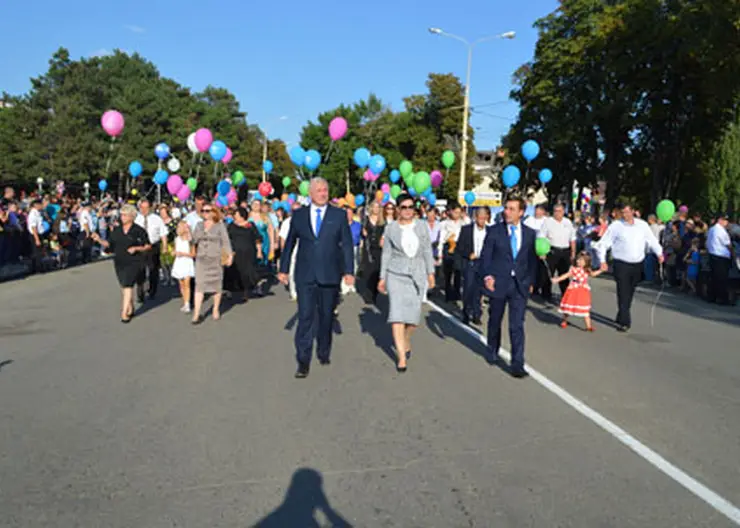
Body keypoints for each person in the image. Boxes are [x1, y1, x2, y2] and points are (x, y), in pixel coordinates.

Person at [278, 177, 354, 379]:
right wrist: (283, 269)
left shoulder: (338, 215)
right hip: (305, 275)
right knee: (305, 317)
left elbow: (346, 245)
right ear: (310, 194)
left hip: (329, 274)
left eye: (325, 190)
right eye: (319, 190)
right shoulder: (299, 215)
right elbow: (290, 244)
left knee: (326, 317)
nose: (323, 193)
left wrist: (349, 271)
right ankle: (303, 361)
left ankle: (323, 350)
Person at [480, 196, 538, 379]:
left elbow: (531, 261)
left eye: (512, 209)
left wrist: (530, 282)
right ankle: (492, 349)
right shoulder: (494, 231)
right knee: (495, 319)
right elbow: (486, 257)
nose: (507, 212)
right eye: (506, 208)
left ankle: (517, 363)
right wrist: (488, 276)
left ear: (521, 212)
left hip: (519, 285)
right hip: (499, 282)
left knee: (517, 325)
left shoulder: (529, 233)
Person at [377, 194, 435, 372]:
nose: (408, 210)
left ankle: (406, 339)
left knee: (413, 319)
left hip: (416, 274)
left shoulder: (422, 226)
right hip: (396, 274)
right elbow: (386, 253)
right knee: (397, 314)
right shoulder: (391, 228)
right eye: (404, 207)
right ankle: (401, 357)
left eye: (411, 207)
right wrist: (382, 277)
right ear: (398, 209)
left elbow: (427, 250)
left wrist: (430, 273)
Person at [596, 203, 663, 332]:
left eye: (627, 212)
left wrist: (659, 253)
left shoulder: (642, 225)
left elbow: (652, 240)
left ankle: (622, 312)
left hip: (637, 264)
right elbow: (604, 243)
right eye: (623, 212)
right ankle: (625, 321)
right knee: (623, 291)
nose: (625, 215)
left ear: (633, 211)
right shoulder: (616, 226)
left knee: (630, 292)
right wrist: (602, 260)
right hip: (621, 263)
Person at [91, 205, 151, 323]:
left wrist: (136, 248)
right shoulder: (117, 231)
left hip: (134, 261)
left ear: (131, 216)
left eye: (125, 215)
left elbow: (147, 246)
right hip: (119, 261)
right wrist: (98, 239)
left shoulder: (138, 230)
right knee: (124, 286)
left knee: (128, 286)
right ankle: (130, 307)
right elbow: (109, 244)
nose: (122, 217)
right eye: (121, 215)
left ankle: (124, 313)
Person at [191, 204, 233, 324]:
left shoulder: (220, 226)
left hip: (215, 258)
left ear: (213, 212)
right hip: (201, 259)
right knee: (199, 286)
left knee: (216, 285)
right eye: (203, 211)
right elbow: (193, 240)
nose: (205, 213)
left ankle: (215, 309)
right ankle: (196, 314)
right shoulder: (199, 225)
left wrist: (229, 255)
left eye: (207, 211)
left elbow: (225, 241)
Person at [551, 251, 604, 331]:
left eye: (582, 260)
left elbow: (593, 274)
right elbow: (566, 275)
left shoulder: (587, 270)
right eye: (578, 260)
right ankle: (564, 320)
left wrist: (601, 270)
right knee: (569, 306)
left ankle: (588, 326)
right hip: (573, 288)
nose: (579, 261)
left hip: (583, 290)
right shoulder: (573, 269)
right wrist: (557, 279)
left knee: (585, 309)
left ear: (586, 262)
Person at [455, 207, 490, 325]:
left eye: (484, 218)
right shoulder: (466, 230)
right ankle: (466, 312)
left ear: (487, 218)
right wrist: (468, 254)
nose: (481, 220)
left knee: (479, 290)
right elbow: (459, 247)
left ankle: (477, 314)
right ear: (475, 217)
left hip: (483, 263)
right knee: (469, 289)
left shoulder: (490, 231)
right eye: (479, 218)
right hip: (470, 262)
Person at [539, 204, 576, 300]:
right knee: (548, 273)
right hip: (552, 250)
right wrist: (541, 251)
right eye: (555, 211)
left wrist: (573, 253)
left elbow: (572, 238)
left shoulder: (568, 222)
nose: (557, 213)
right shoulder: (548, 222)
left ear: (563, 211)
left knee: (564, 274)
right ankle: (546, 295)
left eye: (559, 211)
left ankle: (565, 296)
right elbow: (541, 237)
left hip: (565, 251)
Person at [134, 199, 168, 303]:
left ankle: (152, 291)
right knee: (140, 270)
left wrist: (165, 246)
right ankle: (140, 293)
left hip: (153, 246)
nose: (144, 210)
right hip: (140, 246)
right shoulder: (136, 219)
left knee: (153, 269)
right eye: (142, 208)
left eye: (146, 208)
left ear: (150, 208)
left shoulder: (156, 219)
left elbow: (163, 233)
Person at [226, 206, 262, 303]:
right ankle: (231, 290)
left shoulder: (250, 225)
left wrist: (259, 251)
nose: (235, 216)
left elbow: (257, 239)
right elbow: (226, 238)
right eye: (234, 214)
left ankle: (246, 292)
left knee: (247, 271)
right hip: (235, 252)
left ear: (242, 215)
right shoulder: (231, 225)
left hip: (248, 252)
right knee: (234, 271)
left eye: (236, 214)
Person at [360, 200, 386, 305]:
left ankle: (374, 293)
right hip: (368, 248)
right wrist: (363, 233)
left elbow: (385, 234)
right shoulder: (366, 220)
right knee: (368, 271)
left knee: (377, 271)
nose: (375, 209)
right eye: (374, 207)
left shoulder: (382, 222)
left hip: (379, 249)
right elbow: (362, 233)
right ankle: (368, 295)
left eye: (377, 207)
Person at [706, 214, 734, 305]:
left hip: (712, 255)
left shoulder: (711, 229)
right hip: (721, 257)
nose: (726, 222)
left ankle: (712, 297)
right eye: (725, 220)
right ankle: (723, 299)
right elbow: (728, 245)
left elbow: (707, 242)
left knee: (713, 277)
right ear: (720, 220)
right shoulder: (721, 231)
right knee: (722, 279)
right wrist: (733, 254)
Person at [439, 202, 465, 302]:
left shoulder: (463, 223)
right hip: (448, 246)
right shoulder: (444, 224)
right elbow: (441, 238)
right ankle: (448, 294)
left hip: (459, 247)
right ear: (450, 212)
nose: (457, 214)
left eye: (459, 212)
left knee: (458, 272)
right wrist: (440, 252)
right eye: (455, 212)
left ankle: (457, 293)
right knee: (448, 273)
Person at [171, 221, 196, 313]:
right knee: (181, 284)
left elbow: (193, 254)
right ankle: (185, 301)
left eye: (187, 227)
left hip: (187, 262)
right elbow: (175, 249)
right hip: (179, 262)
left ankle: (187, 304)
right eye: (184, 227)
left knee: (187, 283)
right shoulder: (176, 239)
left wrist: (183, 254)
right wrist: (174, 253)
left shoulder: (190, 241)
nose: (186, 229)